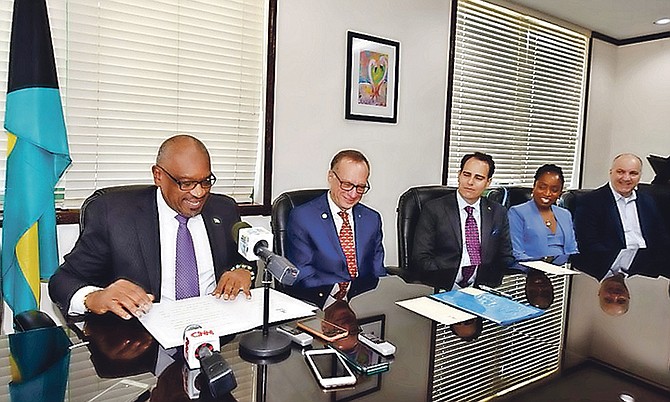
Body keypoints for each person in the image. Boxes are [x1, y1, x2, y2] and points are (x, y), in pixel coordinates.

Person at [49, 135, 256, 320]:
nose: (199, 193)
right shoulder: (113, 215)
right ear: (158, 175)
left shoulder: (223, 209)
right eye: (186, 183)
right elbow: (63, 280)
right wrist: (94, 298)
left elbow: (244, 259)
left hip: (216, 329)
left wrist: (243, 271)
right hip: (143, 340)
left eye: (205, 181)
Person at [285, 150, 386, 308]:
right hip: (319, 302)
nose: (353, 194)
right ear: (331, 177)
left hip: (362, 303)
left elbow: (377, 270)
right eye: (347, 185)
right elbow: (302, 273)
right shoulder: (303, 217)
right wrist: (338, 295)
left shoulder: (372, 219)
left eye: (360, 187)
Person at [412, 152, 513, 290]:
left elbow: (505, 256)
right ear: (459, 175)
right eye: (466, 175)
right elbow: (421, 258)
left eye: (478, 178)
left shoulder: (498, 212)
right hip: (442, 287)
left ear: (488, 182)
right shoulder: (434, 209)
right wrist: (444, 281)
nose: (470, 182)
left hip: (482, 289)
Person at [573, 153, 669, 280]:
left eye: (633, 173)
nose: (626, 178)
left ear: (640, 176)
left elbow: (662, 239)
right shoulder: (590, 201)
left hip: (646, 267)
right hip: (611, 265)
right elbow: (588, 244)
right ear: (611, 172)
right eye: (620, 172)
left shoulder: (648, 200)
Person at [508, 164, 578, 265]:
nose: (547, 193)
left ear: (560, 193)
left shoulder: (565, 214)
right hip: (531, 269)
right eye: (542, 187)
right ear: (534, 186)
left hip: (563, 272)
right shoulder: (517, 212)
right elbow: (516, 252)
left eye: (554, 190)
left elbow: (572, 250)